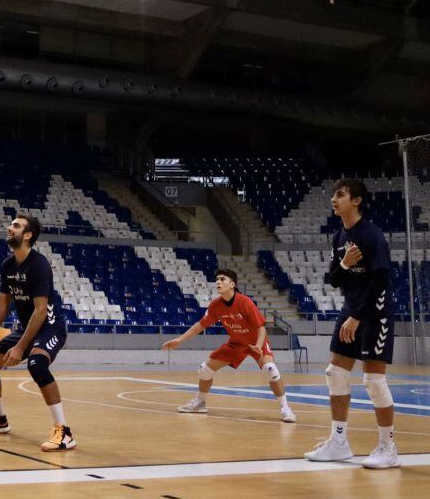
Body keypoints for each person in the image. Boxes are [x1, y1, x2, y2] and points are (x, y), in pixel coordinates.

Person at [304, 178, 399, 469]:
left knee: (373, 381)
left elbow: (381, 279)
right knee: (335, 373)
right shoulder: (340, 237)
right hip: (350, 309)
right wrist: (344, 263)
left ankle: (388, 448)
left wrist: (358, 316)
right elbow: (333, 280)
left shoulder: (371, 236)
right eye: (334, 195)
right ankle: (339, 443)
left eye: (341, 194)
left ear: (356, 200)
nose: (334, 199)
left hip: (374, 312)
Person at [0, 214, 74, 452]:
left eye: (15, 225)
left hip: (49, 326)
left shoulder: (39, 265)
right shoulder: (8, 265)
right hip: (28, 327)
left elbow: (40, 312)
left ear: (27, 235)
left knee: (37, 364)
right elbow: (2, 305)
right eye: (10, 224)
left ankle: (64, 432)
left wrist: (20, 347)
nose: (9, 227)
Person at [161, 269, 296, 423]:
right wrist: (179, 340)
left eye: (223, 279)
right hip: (236, 343)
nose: (218, 282)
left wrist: (258, 345)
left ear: (232, 284)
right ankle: (200, 403)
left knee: (271, 370)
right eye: (217, 279)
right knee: (205, 370)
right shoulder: (216, 305)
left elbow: (261, 329)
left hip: (255, 342)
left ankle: (286, 409)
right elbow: (200, 325)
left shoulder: (245, 302)